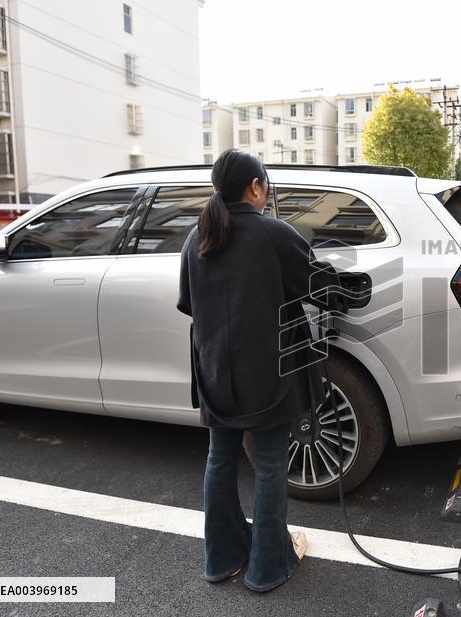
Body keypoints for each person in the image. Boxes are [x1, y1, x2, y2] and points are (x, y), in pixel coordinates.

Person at [177, 148, 334, 593]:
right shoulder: (272, 233)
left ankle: (222, 559)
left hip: (212, 375)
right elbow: (320, 286)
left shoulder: (196, 239)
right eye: (267, 185)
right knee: (267, 465)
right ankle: (267, 567)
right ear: (255, 186)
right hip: (269, 377)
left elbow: (190, 304)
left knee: (219, 460)